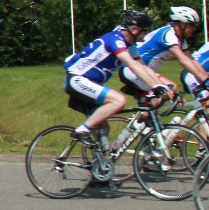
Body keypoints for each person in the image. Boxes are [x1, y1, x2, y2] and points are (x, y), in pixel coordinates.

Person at [64, 9, 169, 142]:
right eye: (145, 31)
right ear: (134, 30)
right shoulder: (115, 39)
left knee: (103, 129)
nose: (146, 35)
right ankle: (81, 130)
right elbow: (132, 65)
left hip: (88, 82)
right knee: (119, 100)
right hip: (77, 79)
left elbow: (143, 67)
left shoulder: (129, 46)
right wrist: (155, 86)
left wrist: (161, 85)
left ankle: (101, 156)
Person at [118, 6, 209, 98]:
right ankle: (145, 98)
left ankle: (145, 103)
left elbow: (192, 61)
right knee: (168, 90)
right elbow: (183, 60)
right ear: (182, 24)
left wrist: (206, 79)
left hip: (145, 72)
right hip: (133, 70)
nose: (194, 29)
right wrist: (205, 81)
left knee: (171, 88)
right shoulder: (168, 34)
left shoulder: (180, 40)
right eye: (191, 25)